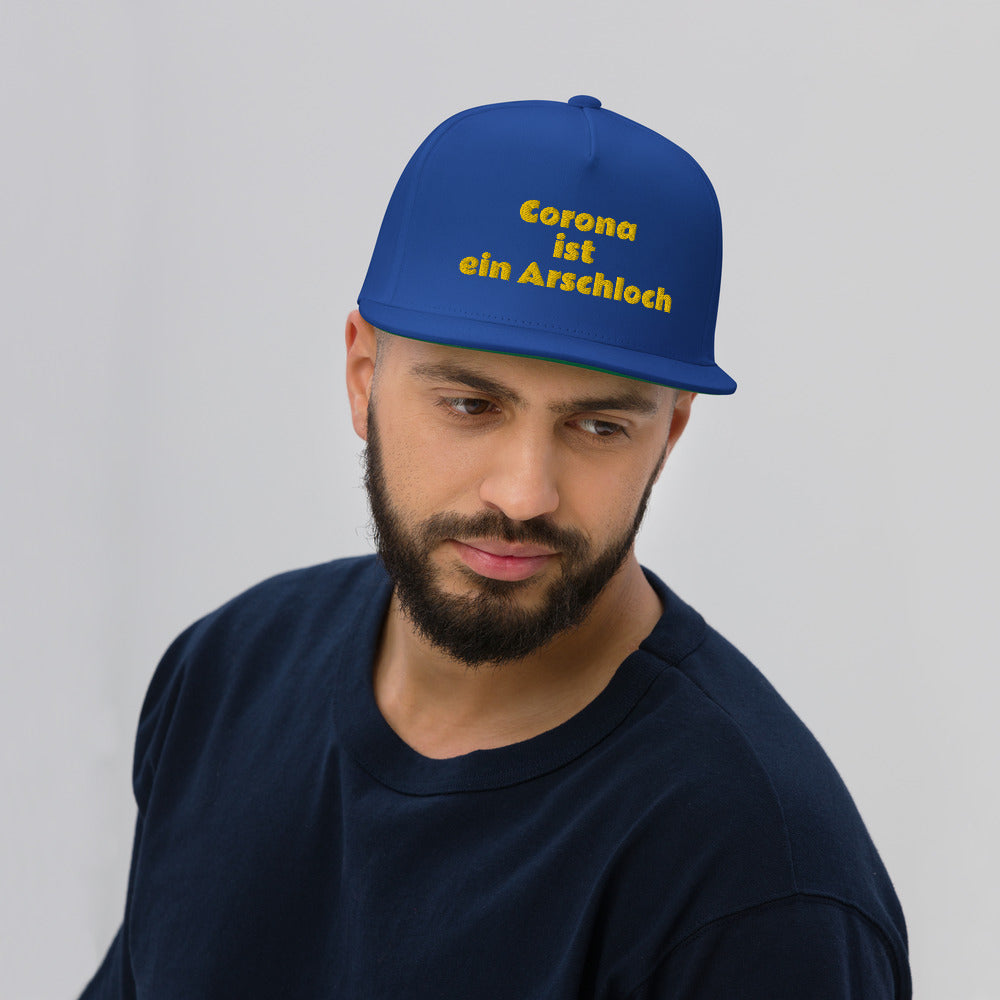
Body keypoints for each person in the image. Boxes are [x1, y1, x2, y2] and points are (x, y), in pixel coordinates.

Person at [80, 96, 910, 998]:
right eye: (471, 405)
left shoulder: (759, 888)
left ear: (669, 435)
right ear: (363, 377)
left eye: (598, 426)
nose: (523, 494)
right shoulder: (226, 677)